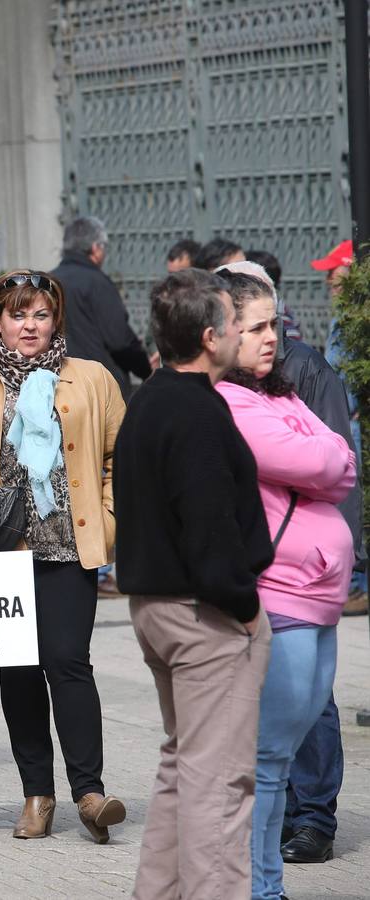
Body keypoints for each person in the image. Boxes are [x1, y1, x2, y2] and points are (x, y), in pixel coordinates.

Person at [0, 270, 126, 843]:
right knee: (18, 672)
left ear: (56, 319)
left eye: (39, 315)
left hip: (67, 544)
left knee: (68, 661)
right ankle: (38, 794)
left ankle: (90, 792)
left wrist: (108, 522)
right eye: (17, 314)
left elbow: (120, 459)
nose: (28, 326)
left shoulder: (91, 379)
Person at [115, 268, 272, 899]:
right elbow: (210, 530)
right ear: (211, 337)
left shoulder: (152, 397)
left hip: (158, 606)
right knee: (221, 787)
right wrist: (243, 604)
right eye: (237, 323)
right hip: (203, 613)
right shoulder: (196, 413)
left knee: (184, 769)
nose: (242, 333)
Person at [210, 269, 355, 900]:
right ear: (222, 332)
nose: (272, 338)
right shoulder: (230, 401)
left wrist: (322, 459)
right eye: (257, 327)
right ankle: (259, 890)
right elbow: (320, 460)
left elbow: (342, 458)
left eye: (276, 324)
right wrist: (320, 459)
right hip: (278, 596)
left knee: (279, 755)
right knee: (267, 766)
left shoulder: (282, 392)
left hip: (317, 596)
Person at [50, 216, 152, 399]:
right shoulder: (97, 283)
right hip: (100, 387)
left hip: (58, 384)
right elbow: (119, 340)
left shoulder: (48, 282)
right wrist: (145, 369)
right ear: (96, 249)